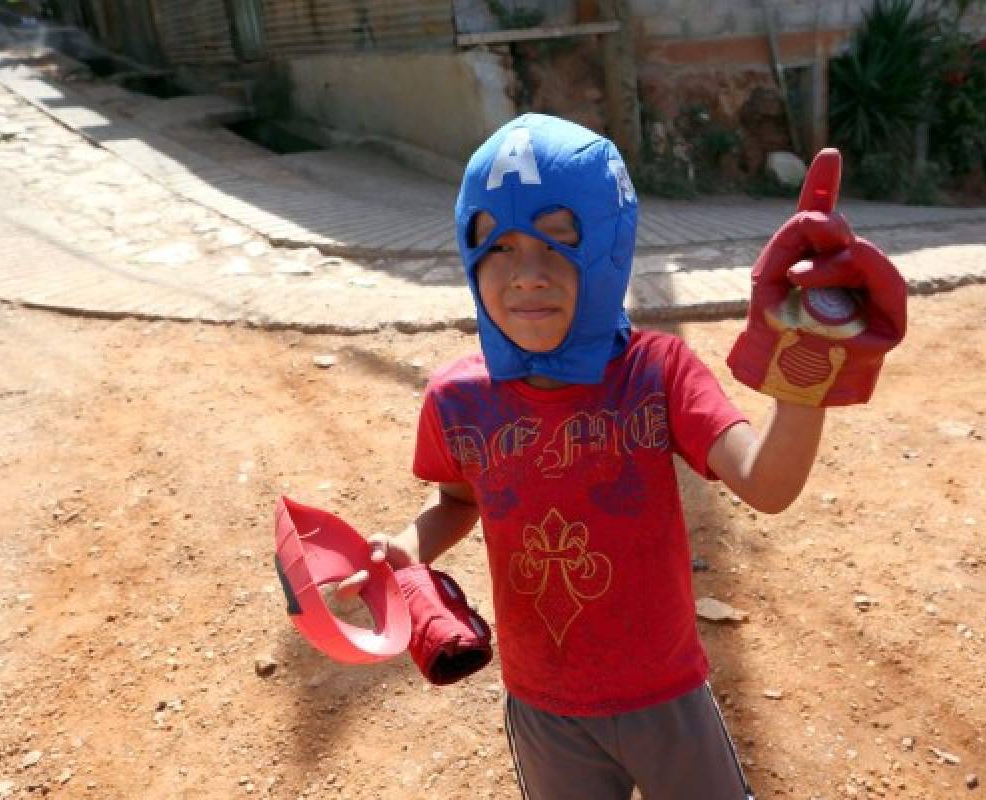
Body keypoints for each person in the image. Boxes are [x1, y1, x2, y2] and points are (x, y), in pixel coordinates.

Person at [338, 114, 905, 799]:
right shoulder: (459, 400)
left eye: (560, 242)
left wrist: (805, 368)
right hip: (543, 702)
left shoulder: (656, 373)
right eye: (498, 246)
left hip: (665, 696)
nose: (527, 276)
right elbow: (459, 500)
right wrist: (408, 546)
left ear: (608, 246)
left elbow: (767, 482)